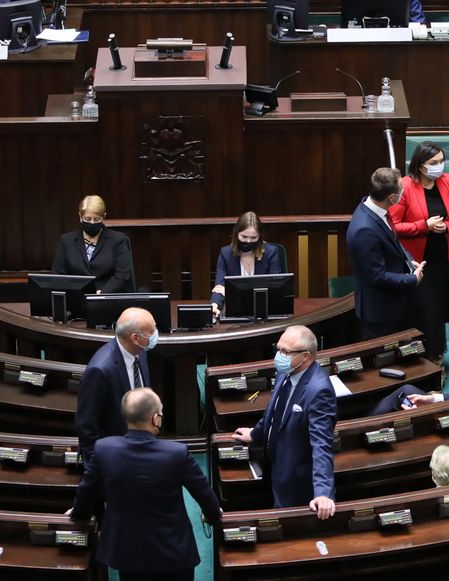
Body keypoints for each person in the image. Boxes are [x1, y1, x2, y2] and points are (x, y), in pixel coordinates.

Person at [70, 388, 221, 581]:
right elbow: (205, 496)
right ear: (155, 418)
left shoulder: (104, 449)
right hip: (173, 553)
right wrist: (212, 515)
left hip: (128, 554)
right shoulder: (176, 453)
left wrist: (78, 513)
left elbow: (87, 491)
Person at [230, 325, 337, 519]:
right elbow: (275, 410)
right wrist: (256, 433)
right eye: (278, 349)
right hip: (273, 461)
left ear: (305, 356)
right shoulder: (285, 371)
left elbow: (321, 444)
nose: (279, 356)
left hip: (293, 475)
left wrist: (323, 493)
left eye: (285, 352)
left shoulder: (320, 391)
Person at [389, 141, 449, 360]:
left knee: (438, 310)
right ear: (420, 165)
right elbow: (393, 225)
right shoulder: (405, 186)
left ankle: (436, 354)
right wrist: (424, 225)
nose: (439, 166)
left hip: (441, 257)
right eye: (434, 162)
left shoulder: (446, 181)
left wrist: (447, 226)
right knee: (425, 311)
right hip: (417, 261)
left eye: (441, 161)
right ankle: (421, 356)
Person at [347, 167, 425, 338]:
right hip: (379, 311)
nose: (404, 191)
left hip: (392, 304)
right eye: (401, 189)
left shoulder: (374, 208)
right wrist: (412, 279)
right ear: (392, 197)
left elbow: (392, 241)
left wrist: (408, 260)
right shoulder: (364, 230)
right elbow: (377, 276)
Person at [75, 306, 156, 458]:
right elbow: (86, 425)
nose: (155, 335)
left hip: (140, 446)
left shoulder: (140, 351)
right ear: (135, 338)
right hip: (115, 454)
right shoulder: (100, 370)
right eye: (151, 332)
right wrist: (102, 463)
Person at [365, 344, 449, 416]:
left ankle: (365, 420)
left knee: (405, 392)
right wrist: (433, 398)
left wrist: (417, 413)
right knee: (407, 390)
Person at [52, 195, 135, 294]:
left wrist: (103, 293)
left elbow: (122, 275)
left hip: (106, 298)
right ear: (80, 216)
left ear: (104, 217)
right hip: (75, 298)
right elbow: (59, 275)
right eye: (87, 219)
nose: (92, 223)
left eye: (96, 219)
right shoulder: (66, 241)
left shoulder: (118, 240)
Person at [210, 212, 286, 320]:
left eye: (253, 237)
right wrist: (215, 304)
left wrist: (232, 293)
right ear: (237, 233)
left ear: (259, 236)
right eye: (244, 236)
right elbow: (219, 287)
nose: (248, 241)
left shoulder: (271, 252)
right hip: (237, 311)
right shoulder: (225, 254)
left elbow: (274, 288)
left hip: (265, 311)